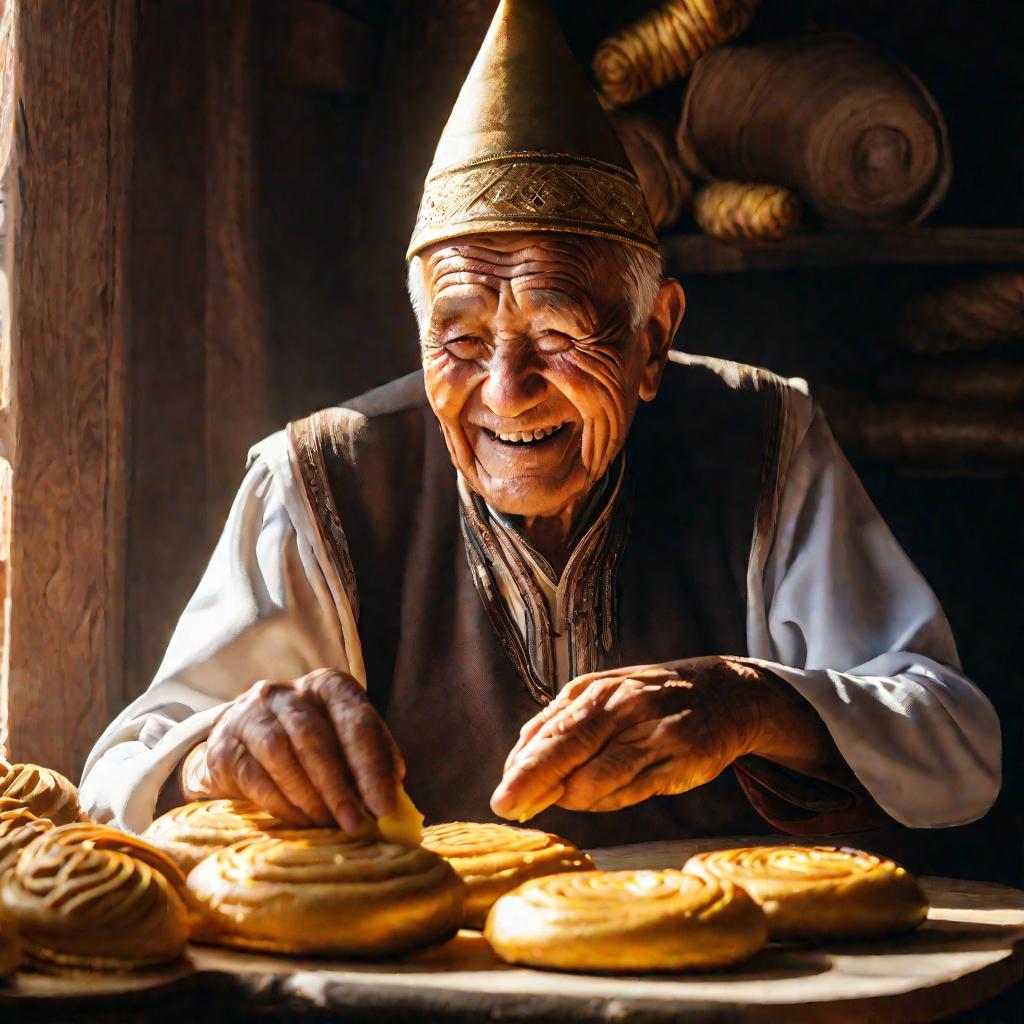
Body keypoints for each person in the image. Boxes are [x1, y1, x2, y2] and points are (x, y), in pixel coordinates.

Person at [82, 0, 999, 850]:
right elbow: (119, 774)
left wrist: (748, 702)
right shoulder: (324, 481)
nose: (506, 389)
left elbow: (958, 746)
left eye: (558, 332)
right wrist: (214, 752)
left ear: (654, 339)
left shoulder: (759, 437)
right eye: (463, 337)